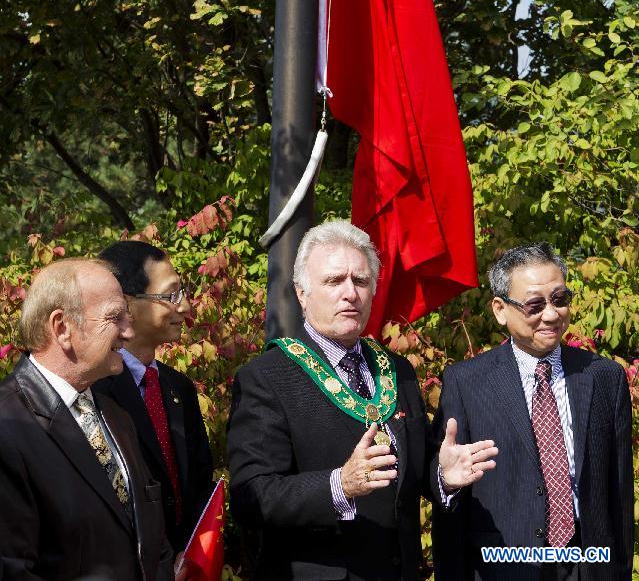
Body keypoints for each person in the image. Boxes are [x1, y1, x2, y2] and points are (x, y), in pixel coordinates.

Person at [227, 220, 498, 581]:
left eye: (360, 280)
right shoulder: (267, 377)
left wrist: (441, 475)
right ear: (301, 293)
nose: (350, 293)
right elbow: (251, 497)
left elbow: (409, 476)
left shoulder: (397, 370)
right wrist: (340, 485)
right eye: (333, 281)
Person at [432, 242, 634, 581]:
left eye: (559, 299)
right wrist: (445, 483)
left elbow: (619, 493)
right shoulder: (466, 382)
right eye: (535, 304)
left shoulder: (603, 377)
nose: (552, 315)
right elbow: (447, 490)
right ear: (500, 309)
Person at [0, 258, 173, 581]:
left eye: (128, 317)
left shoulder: (116, 417)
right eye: (114, 317)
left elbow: (152, 538)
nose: (129, 332)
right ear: (62, 328)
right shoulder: (8, 426)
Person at [94, 241, 213, 557]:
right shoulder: (94, 391)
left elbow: (199, 483)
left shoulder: (179, 389)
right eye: (170, 295)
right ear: (126, 305)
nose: (185, 307)